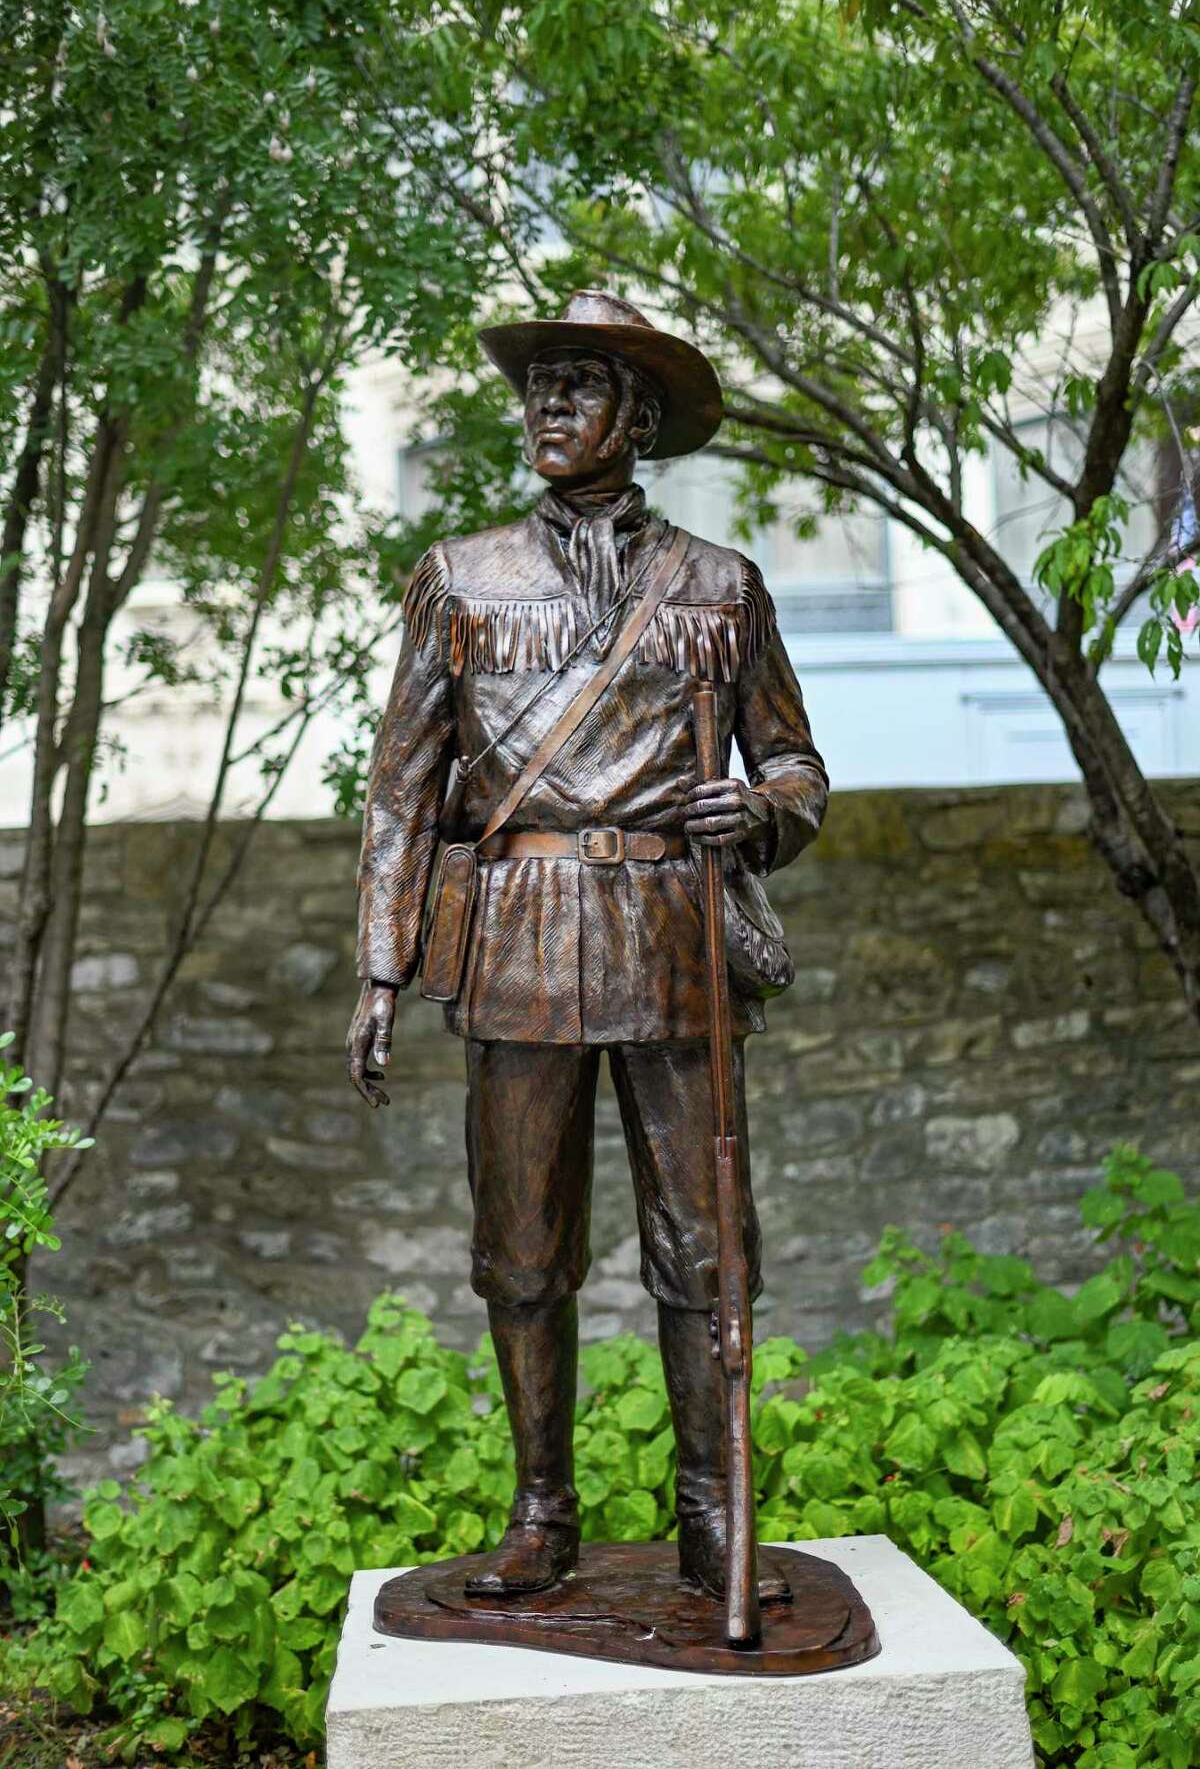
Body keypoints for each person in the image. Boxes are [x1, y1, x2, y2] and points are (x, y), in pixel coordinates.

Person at [347, 290, 828, 1600]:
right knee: (520, 1245)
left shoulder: (722, 589)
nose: (545, 407)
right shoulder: (460, 576)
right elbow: (402, 785)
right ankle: (541, 1513)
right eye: (537, 385)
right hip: (516, 940)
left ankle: (714, 1516)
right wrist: (383, 964)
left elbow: (793, 761)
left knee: (706, 1242)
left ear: (640, 418)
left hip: (674, 943)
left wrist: (768, 811)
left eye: (578, 385)